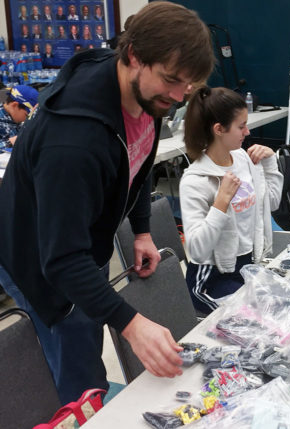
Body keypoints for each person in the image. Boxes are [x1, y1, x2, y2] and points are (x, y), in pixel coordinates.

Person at [0, 1, 214, 405]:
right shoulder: (73, 141)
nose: (178, 95)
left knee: (88, 332)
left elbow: (137, 159)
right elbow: (62, 259)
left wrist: (143, 229)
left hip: (77, 239)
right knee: (79, 370)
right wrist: (130, 324)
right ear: (133, 56)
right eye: (170, 80)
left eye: (187, 85)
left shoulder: (149, 95)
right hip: (38, 259)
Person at [179, 87, 283, 315]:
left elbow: (271, 205)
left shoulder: (243, 159)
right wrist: (221, 202)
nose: (247, 132)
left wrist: (270, 163)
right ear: (219, 129)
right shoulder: (195, 181)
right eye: (241, 126)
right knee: (263, 322)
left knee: (285, 307)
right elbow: (196, 248)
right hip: (212, 280)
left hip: (248, 266)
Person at [0, 85, 38, 150]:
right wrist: (10, 142)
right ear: (14, 105)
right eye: (26, 115)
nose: (27, 119)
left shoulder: (13, 114)